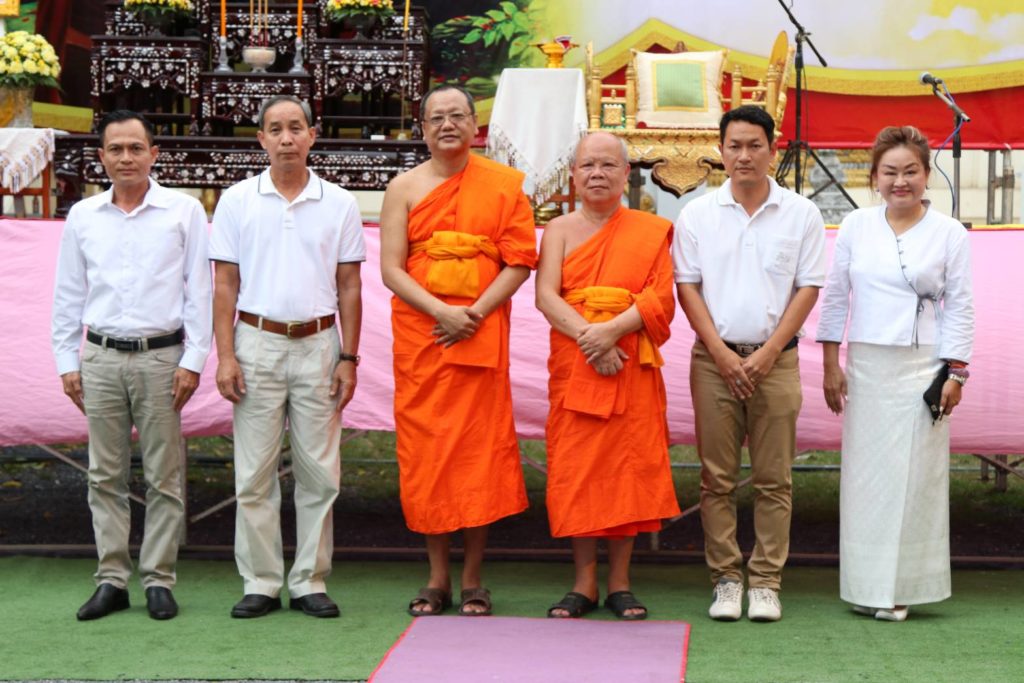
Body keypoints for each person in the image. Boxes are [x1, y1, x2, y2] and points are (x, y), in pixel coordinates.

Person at [379, 84, 536, 617]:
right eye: (436, 118)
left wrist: (474, 313)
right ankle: (436, 576)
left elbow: (519, 260)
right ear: (421, 129)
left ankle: (473, 579)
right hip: (424, 336)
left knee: (478, 453)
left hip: (479, 331)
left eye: (457, 116)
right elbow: (391, 269)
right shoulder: (402, 187)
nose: (447, 125)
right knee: (428, 454)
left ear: (475, 126)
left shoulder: (504, 185)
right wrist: (441, 312)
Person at [51, 109, 212, 621]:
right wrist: (66, 359)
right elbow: (68, 292)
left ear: (154, 154)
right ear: (101, 157)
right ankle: (112, 578)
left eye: (135, 148)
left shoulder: (183, 212)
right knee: (105, 475)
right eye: (115, 149)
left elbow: (200, 292)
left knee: (165, 475)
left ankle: (159, 579)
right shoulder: (83, 216)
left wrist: (192, 359)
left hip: (161, 358)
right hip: (98, 357)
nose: (126, 158)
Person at [209, 95, 364, 619]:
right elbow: (224, 285)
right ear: (261, 139)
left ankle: (310, 581)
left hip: (320, 343)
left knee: (320, 471)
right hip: (256, 341)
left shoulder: (339, 202)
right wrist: (225, 356)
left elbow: (350, 286)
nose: (286, 138)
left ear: (313, 135)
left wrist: (349, 356)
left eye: (295, 128)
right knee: (253, 472)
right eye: (274, 129)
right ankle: (260, 580)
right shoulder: (236, 200)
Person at [674, 105, 826, 622]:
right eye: (734, 146)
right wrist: (719, 351)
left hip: (776, 362)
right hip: (713, 360)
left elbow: (807, 289)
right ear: (721, 151)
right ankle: (725, 578)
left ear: (772, 149)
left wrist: (765, 356)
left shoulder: (801, 214)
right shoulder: (696, 214)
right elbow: (687, 287)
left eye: (754, 145)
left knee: (773, 478)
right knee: (716, 477)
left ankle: (765, 581)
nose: (744, 156)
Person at [817, 125, 974, 622]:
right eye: (890, 172)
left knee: (916, 480)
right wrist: (830, 363)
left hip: (925, 367)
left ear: (926, 175)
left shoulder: (950, 233)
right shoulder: (856, 227)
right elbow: (837, 297)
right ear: (875, 176)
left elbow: (961, 306)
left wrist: (956, 373)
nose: (900, 182)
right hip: (865, 365)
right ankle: (865, 584)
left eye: (910, 172)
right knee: (867, 480)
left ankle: (903, 589)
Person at [536, 132, 681, 621]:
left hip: (629, 362)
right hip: (578, 362)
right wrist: (589, 339)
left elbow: (660, 298)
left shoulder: (650, 229)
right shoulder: (557, 230)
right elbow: (547, 296)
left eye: (607, 166)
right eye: (587, 166)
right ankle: (583, 583)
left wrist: (611, 332)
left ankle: (620, 582)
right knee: (578, 471)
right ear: (573, 175)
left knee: (627, 470)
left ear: (625, 175)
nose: (596, 174)